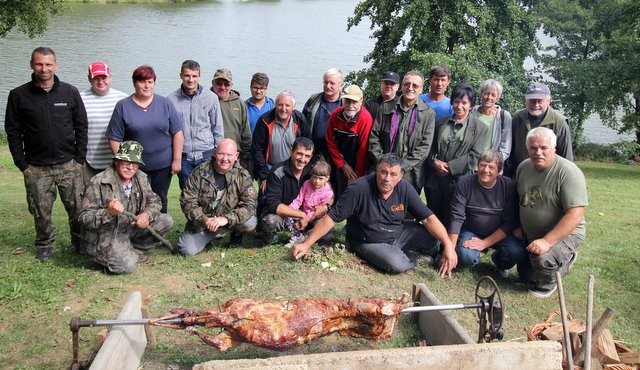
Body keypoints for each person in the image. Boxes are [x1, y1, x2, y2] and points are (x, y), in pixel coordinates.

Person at [292, 153, 457, 277]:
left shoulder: (405, 189)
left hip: (397, 233)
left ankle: (416, 252)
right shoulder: (358, 189)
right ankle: (416, 259)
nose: (387, 178)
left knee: (435, 238)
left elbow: (428, 218)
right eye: (383, 172)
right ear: (376, 171)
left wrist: (449, 246)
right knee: (395, 264)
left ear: (400, 177)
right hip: (368, 240)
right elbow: (331, 219)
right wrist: (306, 244)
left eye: (393, 175)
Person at [5, 46, 88, 262]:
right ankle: (44, 243)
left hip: (69, 164)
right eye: (39, 64)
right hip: (36, 167)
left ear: (56, 65)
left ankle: (79, 241)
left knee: (77, 208)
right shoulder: (18, 95)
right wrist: (22, 164)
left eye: (48, 64)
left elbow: (81, 126)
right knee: (40, 211)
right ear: (31, 64)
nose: (44, 68)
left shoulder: (70, 92)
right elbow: (13, 132)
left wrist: (79, 159)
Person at [78, 141, 174, 274]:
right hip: (105, 235)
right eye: (126, 162)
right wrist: (108, 212)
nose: (130, 167)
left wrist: (146, 215)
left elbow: (155, 202)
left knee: (166, 220)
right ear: (117, 161)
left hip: (128, 229)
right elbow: (83, 218)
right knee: (127, 265)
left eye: (135, 164)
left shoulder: (141, 178)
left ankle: (130, 248)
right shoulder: (97, 182)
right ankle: (118, 254)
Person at [515, 127, 587, 298]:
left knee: (542, 258)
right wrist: (518, 226)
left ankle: (553, 276)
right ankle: (540, 265)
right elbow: (522, 198)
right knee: (523, 271)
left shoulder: (568, 172)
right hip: (531, 233)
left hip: (564, 233)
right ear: (528, 149)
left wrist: (547, 241)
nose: (538, 152)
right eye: (533, 148)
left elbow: (575, 214)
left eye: (543, 148)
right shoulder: (524, 167)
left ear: (554, 148)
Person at [107, 65, 184, 213]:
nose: (146, 85)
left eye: (150, 81)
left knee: (159, 199)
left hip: (162, 166)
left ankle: (158, 230)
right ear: (134, 83)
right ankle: (136, 232)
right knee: (136, 199)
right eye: (142, 81)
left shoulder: (165, 103)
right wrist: (123, 163)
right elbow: (114, 138)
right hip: (135, 167)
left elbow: (177, 133)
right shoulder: (123, 106)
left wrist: (176, 160)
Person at [449, 150, 525, 276]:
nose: (485, 170)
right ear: (477, 166)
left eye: (491, 167)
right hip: (471, 230)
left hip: (500, 233)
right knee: (465, 256)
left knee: (515, 251)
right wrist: (450, 250)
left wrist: (484, 243)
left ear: (499, 170)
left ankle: (500, 262)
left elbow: (510, 223)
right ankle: (472, 257)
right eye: (483, 165)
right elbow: (456, 217)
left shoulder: (508, 186)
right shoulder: (464, 183)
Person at [177, 139, 258, 255]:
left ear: (236, 156)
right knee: (186, 249)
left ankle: (235, 234)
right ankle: (208, 237)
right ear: (215, 153)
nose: (225, 159)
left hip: (229, 221)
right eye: (221, 154)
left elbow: (250, 205)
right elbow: (187, 202)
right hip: (204, 224)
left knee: (251, 222)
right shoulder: (199, 172)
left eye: (229, 155)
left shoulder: (242, 175)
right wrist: (205, 220)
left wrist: (226, 219)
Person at [424, 83, 488, 229]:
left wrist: (450, 167)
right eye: (456, 102)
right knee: (433, 218)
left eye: (464, 102)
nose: (459, 106)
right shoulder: (440, 123)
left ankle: (449, 249)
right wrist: (435, 162)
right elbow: (430, 148)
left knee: (453, 218)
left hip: (460, 182)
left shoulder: (480, 128)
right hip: (435, 180)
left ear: (471, 105)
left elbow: (476, 156)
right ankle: (430, 249)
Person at [368, 70, 436, 193]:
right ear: (402, 86)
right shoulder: (386, 107)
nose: (410, 88)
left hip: (410, 175)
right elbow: (374, 137)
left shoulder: (428, 114)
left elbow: (424, 147)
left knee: (405, 210)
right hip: (384, 171)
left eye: (415, 86)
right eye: (407, 84)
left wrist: (401, 167)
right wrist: (382, 162)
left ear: (421, 89)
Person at [167, 60, 224, 190]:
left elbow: (217, 128)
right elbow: (169, 131)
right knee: (188, 196)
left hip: (206, 155)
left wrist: (218, 153)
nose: (191, 80)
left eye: (194, 76)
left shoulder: (211, 98)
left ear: (199, 76)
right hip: (184, 157)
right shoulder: (171, 100)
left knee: (209, 193)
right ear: (181, 75)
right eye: (187, 75)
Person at [259, 137, 324, 244]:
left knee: (326, 231)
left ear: (311, 156)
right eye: (299, 154)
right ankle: (275, 239)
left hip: (307, 215)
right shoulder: (277, 171)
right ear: (291, 152)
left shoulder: (313, 171)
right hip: (284, 214)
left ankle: (305, 238)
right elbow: (273, 205)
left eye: (307, 156)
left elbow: (329, 192)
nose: (302, 159)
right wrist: (301, 215)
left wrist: (325, 207)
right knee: (270, 221)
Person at [508, 82, 573, 175]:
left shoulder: (559, 122)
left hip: (549, 176)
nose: (536, 105)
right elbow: (511, 150)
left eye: (540, 101)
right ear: (526, 100)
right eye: (532, 100)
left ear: (549, 100)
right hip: (521, 175)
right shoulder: (518, 117)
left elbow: (567, 157)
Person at [251, 90, 310, 193]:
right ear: (275, 105)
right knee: (267, 200)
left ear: (293, 107)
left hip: (293, 168)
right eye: (280, 105)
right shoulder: (264, 121)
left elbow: (308, 145)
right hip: (269, 168)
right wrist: (264, 176)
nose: (283, 109)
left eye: (287, 105)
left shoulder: (300, 120)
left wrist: (302, 171)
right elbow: (257, 150)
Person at [80, 61, 128, 183]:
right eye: (96, 78)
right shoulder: (80, 99)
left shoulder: (123, 99)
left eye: (104, 77)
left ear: (110, 77)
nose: (100, 82)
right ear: (89, 79)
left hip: (115, 161)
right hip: (88, 162)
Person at [326, 84, 373, 197]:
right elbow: (330, 141)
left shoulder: (365, 119)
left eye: (354, 102)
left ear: (361, 101)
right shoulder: (335, 115)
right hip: (339, 163)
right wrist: (342, 165)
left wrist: (356, 175)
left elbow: (363, 149)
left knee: (354, 193)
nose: (350, 105)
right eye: (347, 101)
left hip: (357, 165)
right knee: (337, 193)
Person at [210, 68, 252, 170]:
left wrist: (245, 158)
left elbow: (246, 133)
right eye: (219, 83)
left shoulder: (239, 103)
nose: (222, 87)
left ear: (231, 85)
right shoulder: (206, 101)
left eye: (226, 84)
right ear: (213, 83)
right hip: (212, 157)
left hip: (234, 158)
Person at [302, 68, 344, 161]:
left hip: (337, 156)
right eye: (325, 82)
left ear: (340, 85)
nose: (328, 86)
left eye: (332, 83)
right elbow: (302, 124)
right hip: (313, 153)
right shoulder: (313, 100)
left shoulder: (346, 103)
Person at [470, 79, 512, 161]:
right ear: (481, 94)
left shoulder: (504, 116)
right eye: (486, 94)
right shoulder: (471, 112)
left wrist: (494, 162)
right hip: (470, 164)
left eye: (493, 95)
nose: (489, 97)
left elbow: (505, 147)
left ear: (498, 97)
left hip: (492, 165)